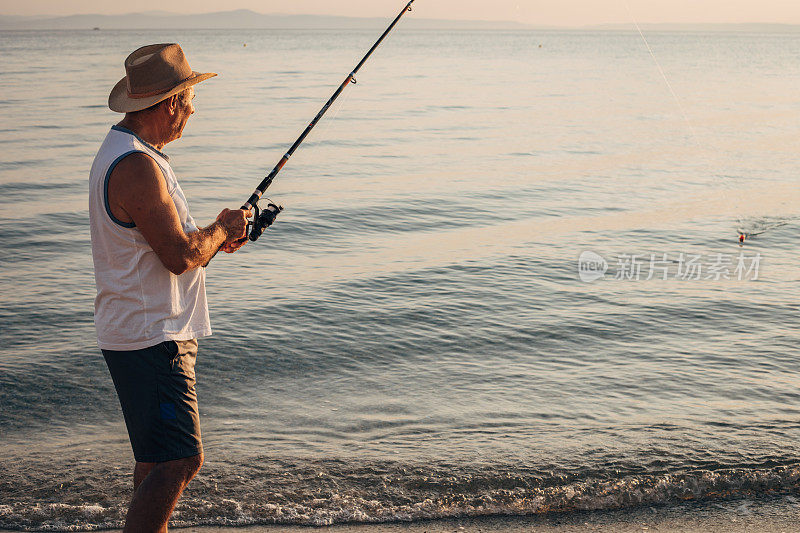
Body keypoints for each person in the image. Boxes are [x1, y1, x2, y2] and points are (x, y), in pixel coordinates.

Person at [88, 43, 249, 532]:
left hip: (144, 331)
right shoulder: (136, 164)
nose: (194, 110)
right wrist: (221, 228)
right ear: (169, 103)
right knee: (181, 459)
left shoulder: (131, 153)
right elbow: (179, 256)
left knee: (158, 460)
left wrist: (217, 240)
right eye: (190, 98)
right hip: (152, 337)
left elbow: (166, 246)